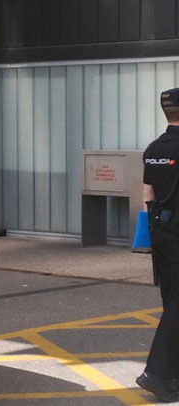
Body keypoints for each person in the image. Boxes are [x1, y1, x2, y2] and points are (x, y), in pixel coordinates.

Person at [138, 88, 179, 402]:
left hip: (160, 233)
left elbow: (148, 198)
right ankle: (156, 372)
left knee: (171, 303)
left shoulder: (153, 148)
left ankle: (172, 375)